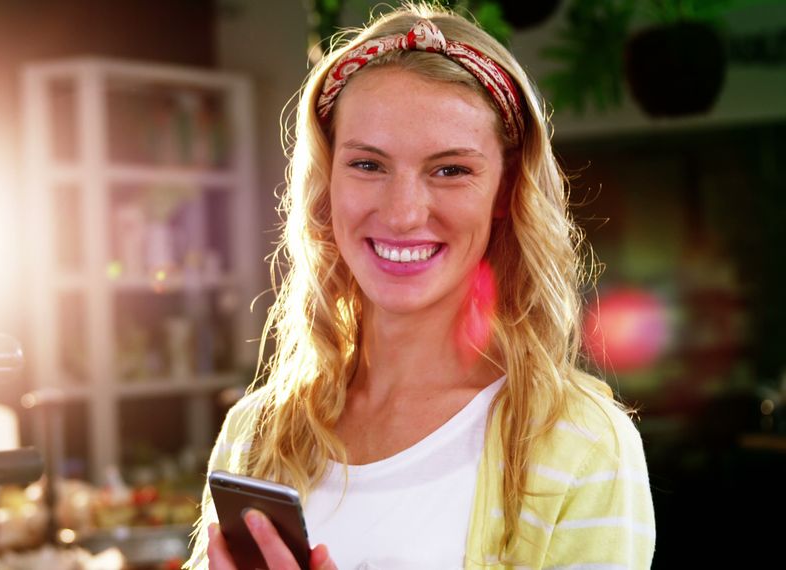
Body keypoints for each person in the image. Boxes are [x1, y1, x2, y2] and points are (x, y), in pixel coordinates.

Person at [187, 2, 655, 568]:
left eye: (451, 170)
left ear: (505, 190)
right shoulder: (258, 433)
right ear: (327, 182)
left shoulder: (579, 444)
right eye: (368, 165)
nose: (404, 213)